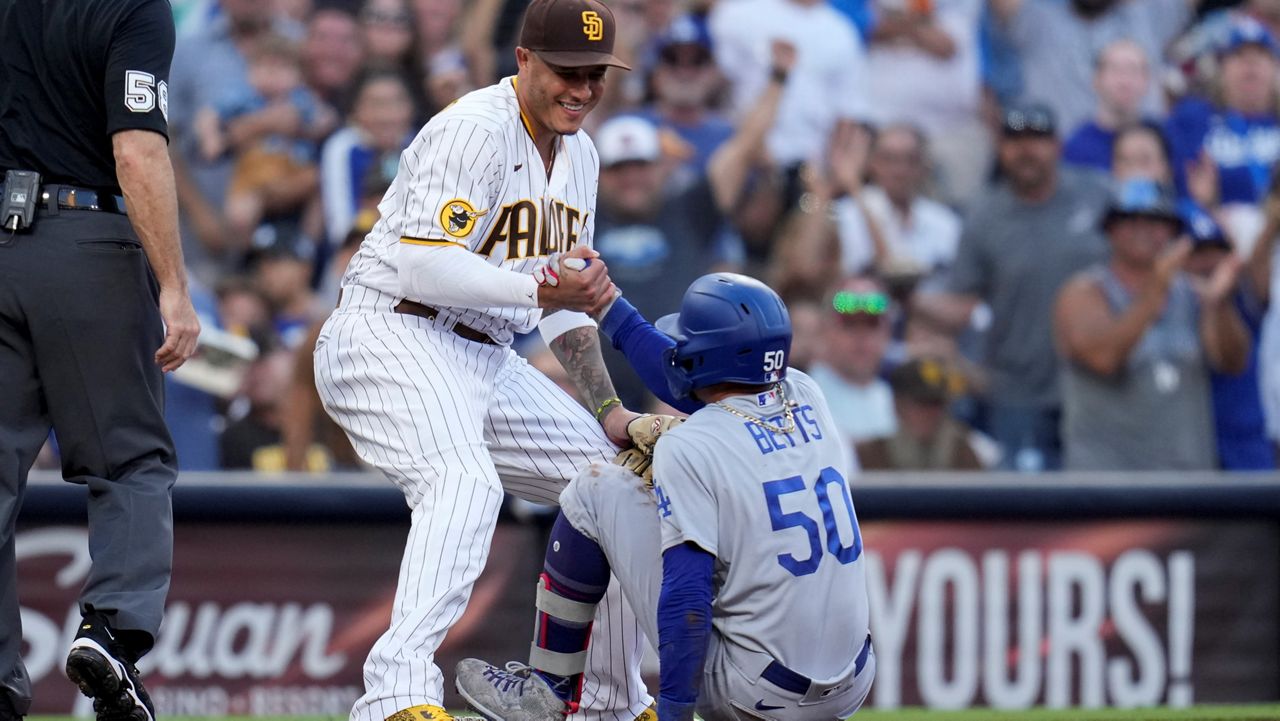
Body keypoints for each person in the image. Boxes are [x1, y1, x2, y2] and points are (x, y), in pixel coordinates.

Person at [312, 1, 668, 719]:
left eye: (595, 74)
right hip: (392, 332)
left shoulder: (583, 155)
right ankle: (395, 698)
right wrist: (542, 287)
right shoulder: (472, 128)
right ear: (524, 60)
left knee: (616, 490)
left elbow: (563, 305)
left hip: (487, 353)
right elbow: (420, 268)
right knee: (464, 481)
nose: (582, 88)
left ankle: (607, 703)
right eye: (567, 71)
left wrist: (609, 411)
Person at [454, 273, 875, 721]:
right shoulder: (806, 393)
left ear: (704, 358)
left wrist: (676, 712)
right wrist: (609, 307)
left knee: (595, 488)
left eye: (688, 345)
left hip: (756, 696)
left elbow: (686, 600)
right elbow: (696, 383)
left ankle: (545, 692)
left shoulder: (690, 445)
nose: (679, 353)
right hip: (852, 682)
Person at [0, 0, 201, 719]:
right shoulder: (132, 8)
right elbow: (136, 148)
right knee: (130, 460)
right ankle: (112, 628)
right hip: (88, 244)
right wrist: (174, 286)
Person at [913, 104, 1110, 470]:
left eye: (1036, 139)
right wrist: (905, 298)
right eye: (1015, 140)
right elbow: (962, 306)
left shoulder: (1097, 196)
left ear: (1056, 145)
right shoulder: (984, 215)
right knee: (1024, 512)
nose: (1026, 150)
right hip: (1017, 393)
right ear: (1000, 149)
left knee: (1099, 510)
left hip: (1093, 386)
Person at [1053, 179, 1249, 470]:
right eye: (1130, 220)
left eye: (1156, 220)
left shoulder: (1192, 294)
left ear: (1172, 231)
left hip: (1185, 482)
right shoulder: (1082, 292)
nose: (1144, 229)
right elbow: (1103, 357)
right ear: (1110, 229)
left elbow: (1232, 363)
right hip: (1107, 485)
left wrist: (1219, 304)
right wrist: (1155, 288)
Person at [856, 356, 987, 470]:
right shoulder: (871, 455)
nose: (930, 413)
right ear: (898, 405)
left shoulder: (963, 453)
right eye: (921, 404)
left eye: (937, 404)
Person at [1062, 38, 1155, 172]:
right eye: (1115, 70)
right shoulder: (1076, 147)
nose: (1124, 81)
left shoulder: (1160, 141)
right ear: (1096, 80)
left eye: (1133, 70)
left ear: (1147, 81)